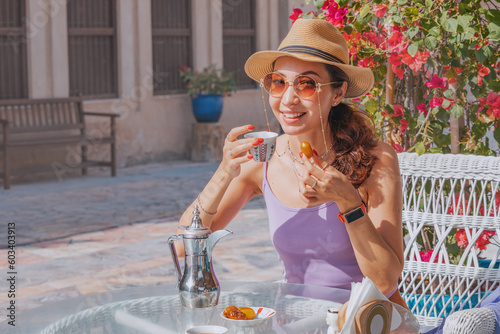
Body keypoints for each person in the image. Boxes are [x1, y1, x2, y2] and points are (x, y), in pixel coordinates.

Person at [176, 18, 405, 305]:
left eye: (307, 84)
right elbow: (185, 249)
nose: (288, 99)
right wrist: (224, 172)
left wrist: (348, 203)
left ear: (338, 92)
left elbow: (386, 280)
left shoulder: (375, 159)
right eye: (278, 82)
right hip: (299, 322)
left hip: (369, 321)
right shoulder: (263, 160)